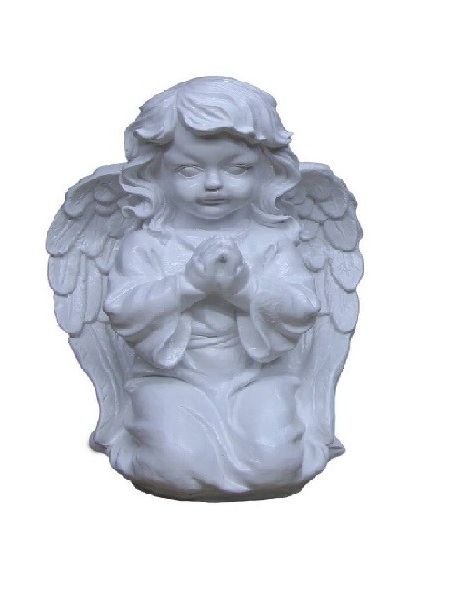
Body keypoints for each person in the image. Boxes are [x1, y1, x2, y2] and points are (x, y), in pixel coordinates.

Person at [103, 78, 321, 497]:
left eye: (237, 168)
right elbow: (122, 311)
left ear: (267, 171)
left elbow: (302, 307)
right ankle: (135, 441)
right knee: (175, 467)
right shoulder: (146, 243)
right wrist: (188, 285)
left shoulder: (273, 241)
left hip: (257, 376)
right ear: (154, 173)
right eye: (189, 169)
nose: (214, 183)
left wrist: (243, 288)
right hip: (171, 379)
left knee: (274, 464)